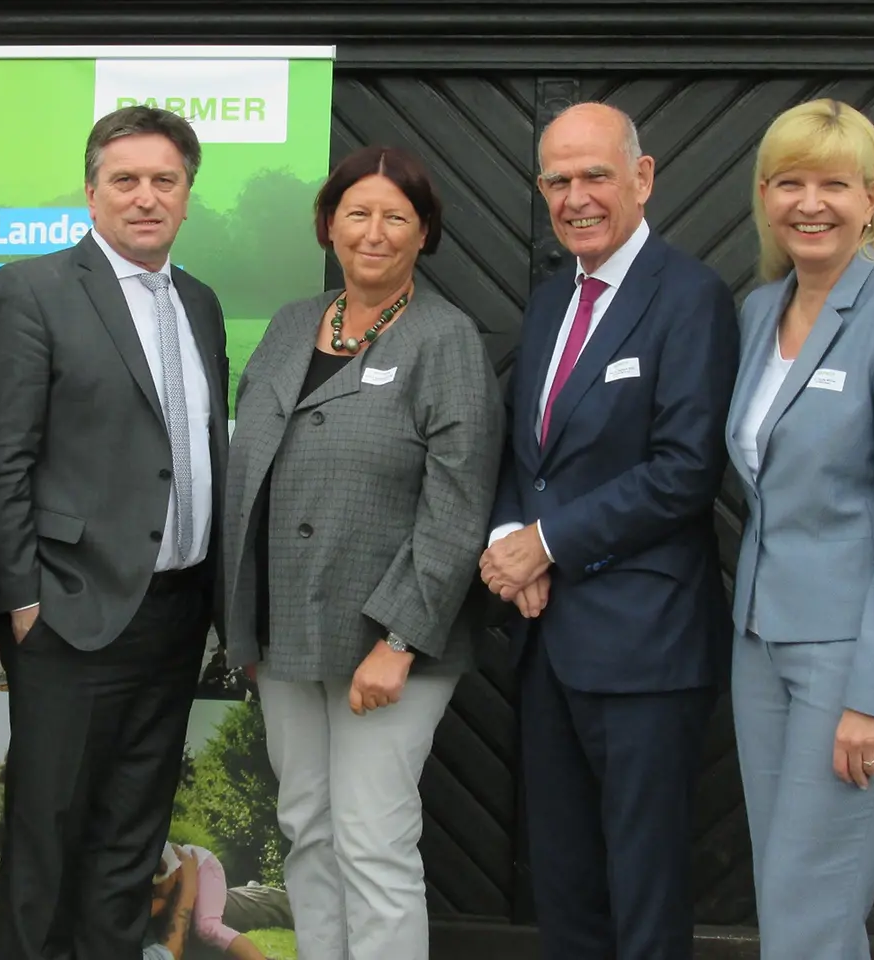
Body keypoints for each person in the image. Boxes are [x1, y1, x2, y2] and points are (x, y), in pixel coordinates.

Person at [223, 145, 502, 960]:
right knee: (306, 828)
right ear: (328, 224)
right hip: (283, 639)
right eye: (357, 213)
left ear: (424, 234)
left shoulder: (444, 340)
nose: (373, 232)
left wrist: (401, 638)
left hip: (388, 645)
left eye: (396, 217)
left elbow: (459, 502)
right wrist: (244, 628)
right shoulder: (286, 326)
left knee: (372, 841)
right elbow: (250, 475)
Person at [480, 103, 739, 960]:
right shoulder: (555, 297)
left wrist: (547, 541)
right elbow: (528, 451)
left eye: (595, 174)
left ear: (643, 176)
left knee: (643, 883)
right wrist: (518, 531)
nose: (576, 196)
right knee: (564, 882)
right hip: (547, 638)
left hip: (646, 649)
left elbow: (684, 470)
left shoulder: (690, 295)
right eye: (558, 179)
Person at [0, 105, 228, 959]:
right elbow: (2, 456)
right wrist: (20, 602)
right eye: (126, 180)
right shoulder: (31, 289)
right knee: (47, 839)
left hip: (175, 613)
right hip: (70, 611)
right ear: (90, 192)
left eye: (165, 181)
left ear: (188, 195)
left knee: (131, 840)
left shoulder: (200, 302)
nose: (146, 198)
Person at [727, 99, 874, 958]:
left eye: (834, 183)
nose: (810, 203)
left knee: (808, 913)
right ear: (764, 194)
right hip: (763, 642)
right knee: (791, 898)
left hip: (860, 655)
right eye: (790, 181)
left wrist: (873, 692)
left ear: (872, 199)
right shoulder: (761, 314)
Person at [151, 843, 272, 960]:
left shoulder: (163, 865)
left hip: (202, 866)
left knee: (207, 926)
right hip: (182, 872)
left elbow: (162, 894)